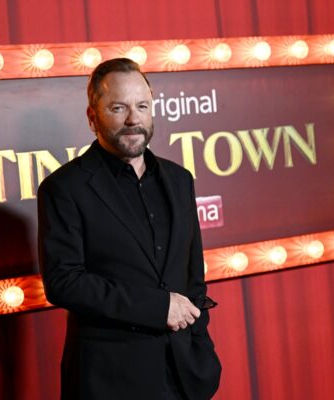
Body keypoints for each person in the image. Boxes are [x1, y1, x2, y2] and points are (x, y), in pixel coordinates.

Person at [37, 58, 221, 400]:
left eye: (142, 106)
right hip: (110, 380)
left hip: (184, 374)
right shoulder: (65, 188)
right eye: (118, 107)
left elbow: (193, 276)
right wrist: (158, 307)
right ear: (92, 117)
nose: (133, 119)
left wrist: (201, 347)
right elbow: (64, 282)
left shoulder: (179, 180)